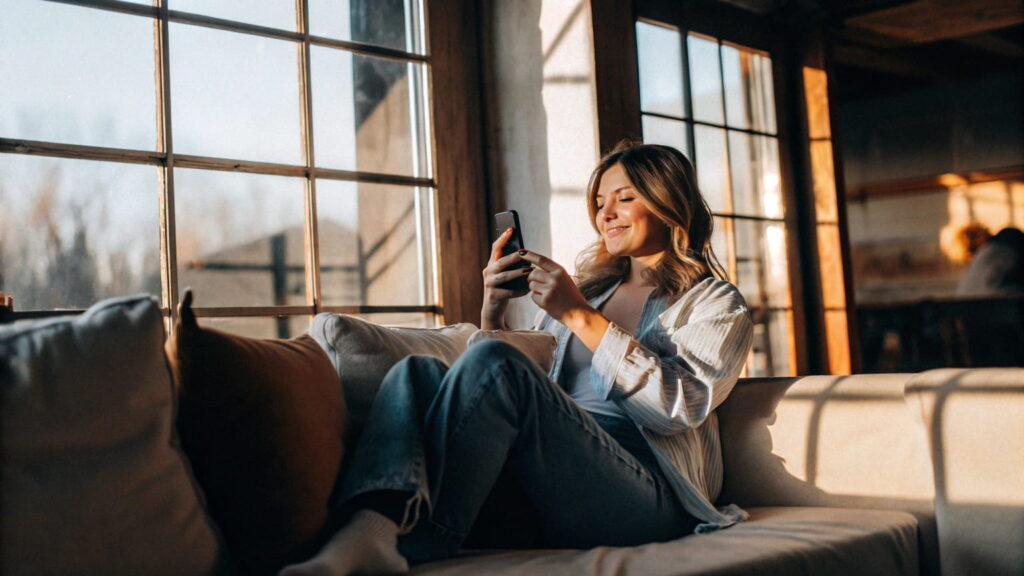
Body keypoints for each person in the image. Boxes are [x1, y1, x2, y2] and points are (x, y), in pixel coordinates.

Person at [281, 142, 754, 576]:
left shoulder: (713, 302)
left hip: (647, 494)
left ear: (669, 203)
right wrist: (494, 310)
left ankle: (423, 541)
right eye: (599, 202)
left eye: (624, 198)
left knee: (494, 362)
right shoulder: (594, 291)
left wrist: (579, 316)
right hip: (551, 470)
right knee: (415, 372)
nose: (605, 213)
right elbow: (509, 388)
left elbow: (679, 408)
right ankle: (371, 530)